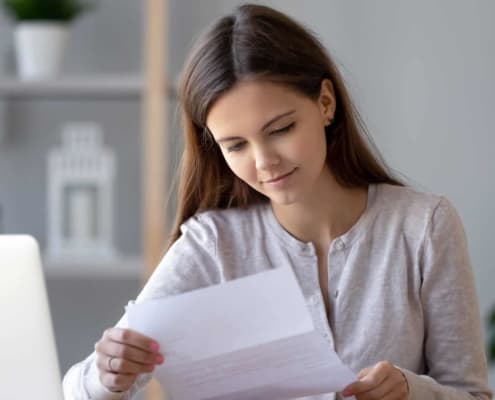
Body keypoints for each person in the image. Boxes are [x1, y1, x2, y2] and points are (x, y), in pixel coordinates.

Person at [63, 4, 492, 400]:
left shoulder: (423, 226)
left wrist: (410, 391)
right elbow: (76, 390)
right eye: (235, 145)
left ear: (325, 103)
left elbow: (472, 394)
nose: (264, 162)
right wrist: (107, 373)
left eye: (281, 128)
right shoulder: (213, 245)